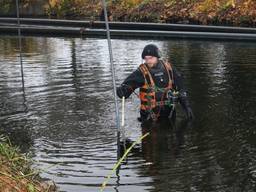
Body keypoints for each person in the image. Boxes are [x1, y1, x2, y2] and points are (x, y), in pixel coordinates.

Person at [116, 44, 193, 123]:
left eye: (151, 58)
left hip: (169, 113)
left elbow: (181, 86)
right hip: (149, 116)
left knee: (170, 134)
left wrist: (186, 106)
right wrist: (122, 91)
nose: (148, 61)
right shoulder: (141, 72)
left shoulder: (169, 68)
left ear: (157, 57)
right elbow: (128, 86)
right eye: (146, 59)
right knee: (151, 134)